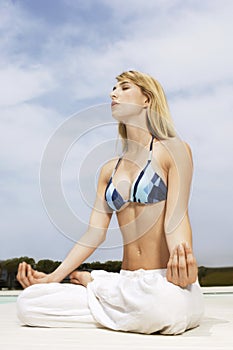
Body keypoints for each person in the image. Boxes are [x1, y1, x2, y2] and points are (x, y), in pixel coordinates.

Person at [16, 70, 204, 335]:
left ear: (146, 99)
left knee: (162, 309)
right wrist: (52, 278)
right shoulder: (108, 170)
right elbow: (94, 233)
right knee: (28, 304)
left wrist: (183, 264)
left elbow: (176, 218)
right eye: (114, 89)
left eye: (124, 88)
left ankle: (96, 285)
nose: (113, 94)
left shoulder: (173, 150)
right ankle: (110, 294)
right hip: (127, 283)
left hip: (163, 281)